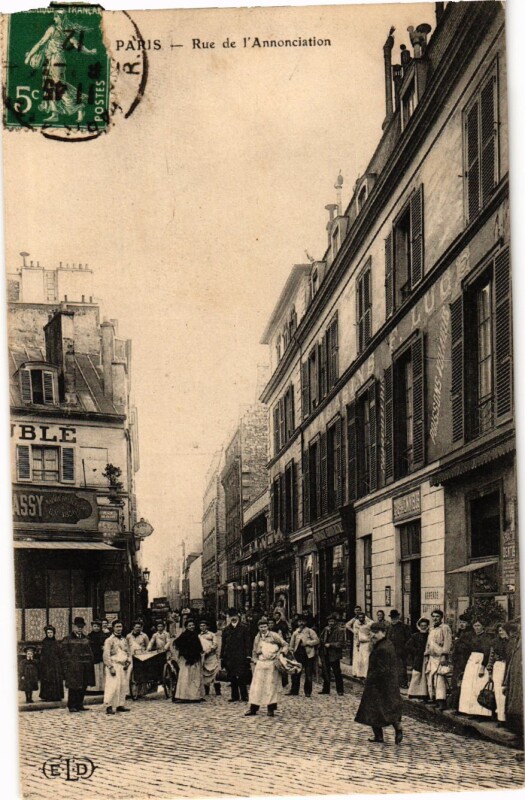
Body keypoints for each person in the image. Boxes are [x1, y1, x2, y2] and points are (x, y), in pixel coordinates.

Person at [355, 622, 403, 744]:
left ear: (383, 633)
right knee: (382, 709)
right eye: (372, 632)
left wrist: (372, 679)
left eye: (376, 633)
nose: (373, 635)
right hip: (382, 683)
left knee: (376, 709)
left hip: (380, 684)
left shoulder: (383, 647)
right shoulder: (384, 644)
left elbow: (383, 668)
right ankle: (383, 734)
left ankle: (393, 730)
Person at [245, 617, 288, 716]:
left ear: (268, 627)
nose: (263, 629)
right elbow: (254, 650)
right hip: (261, 663)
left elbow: (285, 644)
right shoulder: (257, 637)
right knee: (256, 687)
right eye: (261, 627)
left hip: (272, 664)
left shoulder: (274, 636)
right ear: (258, 628)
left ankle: (271, 709)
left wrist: (281, 653)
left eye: (265, 626)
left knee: (271, 686)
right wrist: (254, 660)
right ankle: (253, 708)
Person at [458, 618, 494, 717]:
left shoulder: (486, 638)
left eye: (478, 625)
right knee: (470, 686)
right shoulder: (472, 637)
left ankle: (481, 712)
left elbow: (486, 653)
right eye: (475, 626)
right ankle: (471, 710)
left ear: (483, 626)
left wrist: (483, 666)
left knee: (478, 685)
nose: (476, 628)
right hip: (471, 661)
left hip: (481, 661)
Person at [61, 616, 96, 712]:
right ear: (74, 627)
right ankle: (72, 705)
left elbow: (89, 652)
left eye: (81, 627)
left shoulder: (86, 638)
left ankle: (79, 704)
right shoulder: (67, 639)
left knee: (83, 686)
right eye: (78, 627)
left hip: (85, 667)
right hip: (73, 667)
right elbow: (64, 653)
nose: (79, 629)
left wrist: (89, 662)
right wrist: (70, 664)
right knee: (73, 687)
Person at [221, 608, 252, 702]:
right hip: (230, 656)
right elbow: (223, 644)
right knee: (232, 676)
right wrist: (222, 657)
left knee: (242, 675)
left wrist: (248, 656)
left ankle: (244, 695)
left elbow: (248, 643)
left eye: (234, 616)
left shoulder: (244, 628)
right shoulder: (226, 630)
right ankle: (234, 696)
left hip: (241, 655)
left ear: (238, 616)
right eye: (231, 616)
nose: (233, 618)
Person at [424, 609, 453, 708]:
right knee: (431, 678)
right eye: (433, 616)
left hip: (440, 657)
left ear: (441, 617)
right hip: (432, 657)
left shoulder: (445, 628)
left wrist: (444, 655)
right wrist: (427, 654)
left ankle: (442, 702)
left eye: (437, 616)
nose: (435, 618)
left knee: (440, 679)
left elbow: (448, 642)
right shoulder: (431, 629)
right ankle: (435, 699)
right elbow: (429, 643)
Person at [172, 618, 204, 702]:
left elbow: (199, 647)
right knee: (185, 677)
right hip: (186, 660)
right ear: (186, 627)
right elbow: (177, 644)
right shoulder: (183, 635)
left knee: (195, 678)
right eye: (189, 625)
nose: (192, 627)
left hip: (195, 659)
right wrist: (185, 654)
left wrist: (198, 653)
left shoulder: (195, 635)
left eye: (193, 625)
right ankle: (184, 696)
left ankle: (194, 696)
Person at [103, 620, 132, 715]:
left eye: (120, 626)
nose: (119, 629)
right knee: (113, 686)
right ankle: (109, 706)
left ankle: (120, 704)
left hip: (122, 666)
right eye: (117, 627)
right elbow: (106, 655)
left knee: (123, 685)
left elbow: (128, 652)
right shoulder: (109, 640)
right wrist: (110, 667)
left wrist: (127, 661)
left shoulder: (124, 640)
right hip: (114, 665)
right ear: (113, 628)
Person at [288, 614, 319, 697]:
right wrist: (291, 651)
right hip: (298, 655)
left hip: (308, 655)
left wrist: (307, 643)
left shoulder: (310, 631)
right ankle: (294, 690)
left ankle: (308, 691)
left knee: (308, 674)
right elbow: (291, 644)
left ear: (306, 622)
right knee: (295, 673)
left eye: (303, 621)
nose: (301, 623)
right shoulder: (296, 632)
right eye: (299, 621)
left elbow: (317, 640)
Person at [503, 621, 523, 742]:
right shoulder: (516, 641)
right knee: (515, 705)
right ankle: (518, 734)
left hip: (520, 677)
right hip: (515, 676)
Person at [449, 614, 474, 710]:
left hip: (464, 661)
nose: (462, 624)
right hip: (458, 661)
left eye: (464, 622)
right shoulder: (460, 633)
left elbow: (466, 647)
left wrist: (457, 642)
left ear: (468, 624)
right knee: (455, 683)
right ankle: (455, 705)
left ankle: (460, 707)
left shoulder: (469, 634)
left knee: (462, 683)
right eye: (461, 622)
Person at [489, 623, 510, 726]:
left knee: (505, 693)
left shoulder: (510, 642)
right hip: (498, 667)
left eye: (503, 630)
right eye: (500, 630)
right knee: (498, 692)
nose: (501, 632)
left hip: (507, 666)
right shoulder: (495, 643)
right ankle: (500, 718)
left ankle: (507, 718)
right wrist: (489, 670)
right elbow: (491, 657)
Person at [319, 614, 345, 695]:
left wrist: (330, 645)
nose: (330, 623)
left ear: (335, 622)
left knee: (337, 673)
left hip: (334, 655)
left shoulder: (340, 630)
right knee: (325, 672)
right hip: (325, 653)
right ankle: (326, 689)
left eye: (332, 621)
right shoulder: (326, 629)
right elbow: (320, 638)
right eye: (329, 621)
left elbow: (341, 643)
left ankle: (340, 690)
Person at [405, 618, 430, 701]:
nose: (423, 627)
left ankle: (425, 694)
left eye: (425, 625)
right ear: (419, 626)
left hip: (428, 657)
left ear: (428, 626)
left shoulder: (430, 635)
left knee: (426, 675)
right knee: (417, 675)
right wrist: (416, 652)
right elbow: (408, 646)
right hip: (418, 658)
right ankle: (414, 693)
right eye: (422, 625)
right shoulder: (415, 636)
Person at [386, 610, 411, 689]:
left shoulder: (404, 627)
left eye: (395, 617)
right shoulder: (389, 627)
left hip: (401, 650)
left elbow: (408, 639)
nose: (393, 619)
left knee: (402, 667)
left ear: (398, 617)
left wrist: (405, 649)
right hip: (391, 650)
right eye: (392, 618)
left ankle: (403, 683)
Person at [39, 625, 64, 702]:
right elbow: (42, 654)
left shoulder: (56, 642)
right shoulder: (44, 642)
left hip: (55, 664)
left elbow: (59, 653)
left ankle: (56, 696)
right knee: (48, 679)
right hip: (47, 664)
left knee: (56, 679)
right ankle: (47, 696)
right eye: (48, 632)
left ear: (54, 633)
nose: (50, 634)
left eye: (51, 632)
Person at [199, 619, 221, 696]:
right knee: (205, 673)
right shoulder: (198, 636)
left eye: (204, 625)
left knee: (214, 673)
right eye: (201, 626)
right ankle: (206, 690)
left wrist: (210, 650)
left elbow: (215, 644)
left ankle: (217, 690)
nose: (202, 627)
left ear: (207, 626)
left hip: (211, 656)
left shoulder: (212, 635)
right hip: (204, 657)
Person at [349, 612, 372, 680]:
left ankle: (366, 674)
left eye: (362, 617)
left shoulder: (368, 624)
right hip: (361, 644)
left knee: (366, 659)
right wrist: (358, 644)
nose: (361, 619)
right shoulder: (357, 624)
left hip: (367, 644)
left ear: (364, 618)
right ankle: (361, 674)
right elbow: (358, 635)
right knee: (360, 660)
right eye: (360, 618)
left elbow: (371, 634)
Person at [88, 620, 106, 692]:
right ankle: (93, 689)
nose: (96, 628)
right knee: (95, 672)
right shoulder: (89, 636)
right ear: (92, 627)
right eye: (95, 626)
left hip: (101, 655)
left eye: (98, 626)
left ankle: (101, 688)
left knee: (101, 671)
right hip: (93, 656)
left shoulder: (103, 635)